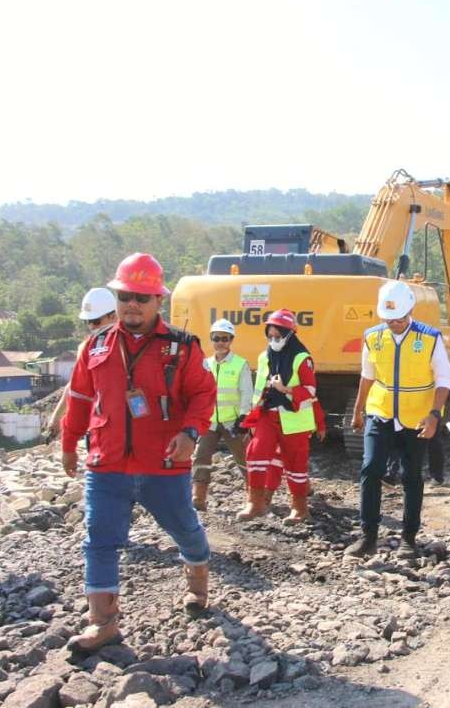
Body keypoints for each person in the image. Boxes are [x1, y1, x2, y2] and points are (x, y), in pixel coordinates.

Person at [61, 253, 216, 653]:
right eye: (126, 295)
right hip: (107, 463)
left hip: (164, 464)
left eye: (142, 298)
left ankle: (198, 580)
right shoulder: (94, 346)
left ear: (158, 302)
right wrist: (68, 443)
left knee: (184, 529)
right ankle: (102, 623)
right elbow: (79, 397)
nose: (132, 304)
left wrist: (190, 432)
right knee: (99, 539)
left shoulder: (182, 347)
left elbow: (203, 393)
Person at [346, 280, 450, 559]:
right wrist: (358, 410)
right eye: (388, 319)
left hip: (416, 418)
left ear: (410, 311)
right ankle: (368, 536)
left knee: (411, 476)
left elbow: (443, 380)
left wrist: (434, 414)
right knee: (370, 469)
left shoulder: (430, 338)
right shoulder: (373, 336)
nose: (394, 323)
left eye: (399, 318)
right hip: (380, 413)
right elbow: (367, 375)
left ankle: (409, 538)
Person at [241, 309, 324, 524]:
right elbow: (259, 389)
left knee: (295, 463)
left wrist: (286, 389)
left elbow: (311, 391)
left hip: (294, 419)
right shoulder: (263, 357)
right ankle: (255, 503)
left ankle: (299, 508)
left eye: (278, 336)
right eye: (270, 336)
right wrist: (253, 418)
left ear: (290, 334)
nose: (274, 340)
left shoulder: (302, 358)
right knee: (256, 453)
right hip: (267, 415)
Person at [191, 318, 252, 512]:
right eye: (216, 338)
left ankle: (253, 497)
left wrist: (243, 418)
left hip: (232, 422)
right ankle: (198, 498)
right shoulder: (205, 364)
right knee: (201, 457)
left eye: (225, 338)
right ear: (211, 339)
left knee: (243, 458)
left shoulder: (240, 364)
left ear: (231, 340)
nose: (220, 342)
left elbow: (246, 393)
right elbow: (198, 392)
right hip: (210, 422)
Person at [44, 288, 119, 440]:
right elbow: (74, 385)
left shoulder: (132, 343)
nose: (92, 326)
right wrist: (57, 417)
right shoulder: (86, 348)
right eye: (88, 321)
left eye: (96, 321)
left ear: (114, 316)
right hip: (100, 425)